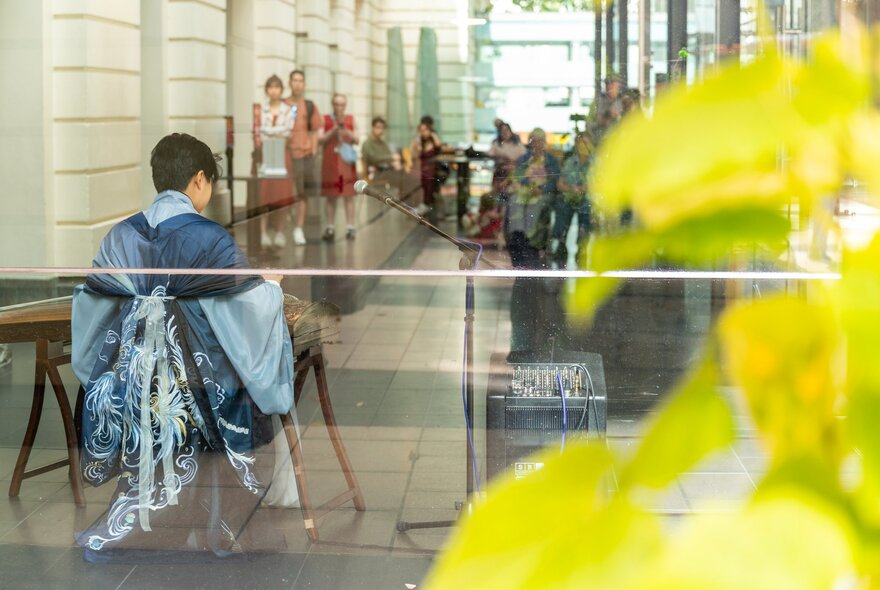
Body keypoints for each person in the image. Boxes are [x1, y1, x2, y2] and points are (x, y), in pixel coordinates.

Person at [71, 133, 296, 558]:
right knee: (244, 396)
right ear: (198, 179)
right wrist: (270, 289)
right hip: (199, 383)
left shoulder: (120, 235)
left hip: (133, 384)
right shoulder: (209, 238)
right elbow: (242, 309)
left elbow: (92, 304)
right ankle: (221, 522)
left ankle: (146, 516)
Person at [504, 128, 560, 353]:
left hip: (541, 194)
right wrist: (525, 186)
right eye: (533, 141)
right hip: (527, 191)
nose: (536, 145)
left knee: (536, 206)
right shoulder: (524, 160)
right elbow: (516, 178)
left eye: (540, 141)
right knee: (517, 203)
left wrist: (540, 188)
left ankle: (532, 238)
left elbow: (554, 183)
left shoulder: (551, 162)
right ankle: (518, 235)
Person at [284, 70, 324, 246]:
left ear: (304, 84)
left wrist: (314, 150)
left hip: (305, 155)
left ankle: (298, 227)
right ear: (290, 83)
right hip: (286, 154)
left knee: (302, 193)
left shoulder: (309, 105)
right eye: (295, 80)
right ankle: (283, 226)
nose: (298, 84)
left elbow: (315, 130)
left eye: (301, 80)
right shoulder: (283, 104)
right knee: (285, 192)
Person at [257, 74, 296, 249]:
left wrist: (270, 131)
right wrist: (275, 131)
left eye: (277, 87)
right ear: (267, 90)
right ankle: (263, 232)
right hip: (266, 153)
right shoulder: (260, 109)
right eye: (271, 87)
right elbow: (259, 131)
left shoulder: (288, 109)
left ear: (281, 89)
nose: (274, 90)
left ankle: (280, 231)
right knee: (264, 194)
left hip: (281, 152)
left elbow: (288, 132)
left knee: (281, 193)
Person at [319, 93, 359, 240]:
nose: (339, 107)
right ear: (332, 104)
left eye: (342, 104)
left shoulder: (350, 119)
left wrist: (346, 131)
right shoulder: (326, 119)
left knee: (348, 195)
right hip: (330, 161)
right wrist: (333, 130)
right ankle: (330, 227)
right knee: (331, 195)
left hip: (346, 162)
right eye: (336, 104)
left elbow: (357, 139)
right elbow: (320, 140)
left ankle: (350, 227)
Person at [553, 132, 595, 266]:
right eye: (580, 142)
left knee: (586, 207)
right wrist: (572, 190)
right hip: (570, 196)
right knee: (562, 205)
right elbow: (560, 183)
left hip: (587, 197)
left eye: (586, 142)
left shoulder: (595, 163)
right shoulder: (570, 161)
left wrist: (585, 189)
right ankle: (561, 242)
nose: (583, 146)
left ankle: (582, 246)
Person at [410, 120, 444, 215]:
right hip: (421, 168)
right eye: (421, 130)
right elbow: (414, 156)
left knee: (428, 175)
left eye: (425, 130)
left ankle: (426, 203)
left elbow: (439, 145)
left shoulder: (433, 141)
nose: (423, 132)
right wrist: (415, 144)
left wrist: (433, 134)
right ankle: (425, 203)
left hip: (433, 168)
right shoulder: (419, 142)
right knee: (423, 176)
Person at [488, 122, 526, 198]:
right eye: (502, 131)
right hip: (500, 174)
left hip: (514, 174)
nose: (505, 133)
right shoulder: (496, 144)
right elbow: (489, 154)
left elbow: (525, 157)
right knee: (497, 196)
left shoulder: (517, 145)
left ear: (510, 131)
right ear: (500, 132)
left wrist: (514, 163)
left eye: (506, 130)